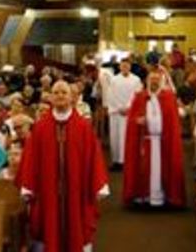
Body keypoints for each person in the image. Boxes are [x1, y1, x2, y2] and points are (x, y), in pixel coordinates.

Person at [17, 80, 108, 252]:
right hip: (47, 192)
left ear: (72, 98)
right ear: (50, 97)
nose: (60, 96)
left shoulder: (83, 127)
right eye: (56, 92)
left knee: (77, 227)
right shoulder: (40, 127)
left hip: (77, 191)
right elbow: (31, 158)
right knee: (48, 227)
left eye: (64, 92)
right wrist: (28, 186)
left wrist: (98, 185)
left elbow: (93, 157)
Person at [123, 71, 186, 207]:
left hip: (164, 141)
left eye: (157, 79)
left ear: (161, 81)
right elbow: (132, 119)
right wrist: (138, 121)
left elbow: (173, 121)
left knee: (164, 168)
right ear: (147, 81)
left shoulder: (169, 97)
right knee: (144, 169)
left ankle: (164, 196)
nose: (154, 82)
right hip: (145, 140)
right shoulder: (140, 97)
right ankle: (144, 196)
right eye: (151, 79)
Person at [107, 58, 142, 170]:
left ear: (130, 66)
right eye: (123, 65)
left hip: (130, 113)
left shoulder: (136, 80)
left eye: (127, 65)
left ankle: (129, 162)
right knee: (116, 137)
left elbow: (137, 96)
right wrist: (119, 108)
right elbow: (110, 95)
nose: (125, 67)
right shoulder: (114, 80)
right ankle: (117, 161)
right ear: (120, 66)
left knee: (128, 138)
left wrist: (128, 108)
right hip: (116, 113)